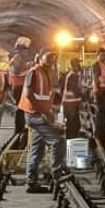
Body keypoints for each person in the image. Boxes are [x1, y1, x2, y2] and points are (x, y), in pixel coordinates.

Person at [18, 48, 67, 192]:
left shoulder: (45, 73)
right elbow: (28, 94)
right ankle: (56, 175)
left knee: (37, 148)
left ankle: (31, 182)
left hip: (38, 114)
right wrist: (42, 113)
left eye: (54, 57)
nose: (52, 59)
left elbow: (45, 96)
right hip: (35, 115)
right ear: (39, 57)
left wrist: (49, 111)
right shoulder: (33, 72)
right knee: (58, 141)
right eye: (49, 56)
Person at [8, 36, 33, 135]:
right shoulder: (16, 60)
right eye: (25, 50)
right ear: (20, 50)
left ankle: (21, 131)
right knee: (20, 111)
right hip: (18, 89)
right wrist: (30, 70)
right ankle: (19, 132)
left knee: (23, 111)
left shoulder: (21, 60)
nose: (27, 52)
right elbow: (17, 72)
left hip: (22, 88)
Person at [92, 48, 105, 143]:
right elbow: (96, 78)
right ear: (98, 55)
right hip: (99, 92)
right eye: (102, 55)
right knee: (100, 113)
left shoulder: (104, 65)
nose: (104, 56)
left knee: (103, 113)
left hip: (104, 92)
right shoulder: (97, 65)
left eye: (104, 54)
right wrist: (97, 91)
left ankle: (101, 133)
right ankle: (98, 134)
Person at [62, 57, 84, 140]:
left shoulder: (73, 75)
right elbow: (75, 91)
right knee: (73, 125)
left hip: (71, 104)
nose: (79, 65)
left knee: (74, 125)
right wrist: (84, 97)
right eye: (78, 64)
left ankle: (71, 141)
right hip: (70, 105)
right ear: (74, 65)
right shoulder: (73, 76)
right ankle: (71, 142)